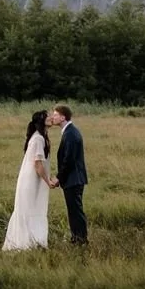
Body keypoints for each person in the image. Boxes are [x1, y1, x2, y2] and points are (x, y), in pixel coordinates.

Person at [2, 108, 59, 251]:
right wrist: (48, 182)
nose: (51, 118)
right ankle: (26, 243)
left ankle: (30, 242)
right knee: (31, 209)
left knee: (31, 209)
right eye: (47, 117)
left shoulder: (40, 137)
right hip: (31, 181)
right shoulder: (38, 139)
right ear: (41, 121)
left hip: (32, 180)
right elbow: (38, 164)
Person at [51, 103, 88, 244]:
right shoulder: (69, 132)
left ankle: (80, 240)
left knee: (75, 211)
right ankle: (77, 238)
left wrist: (58, 178)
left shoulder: (71, 134)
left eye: (55, 115)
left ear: (62, 117)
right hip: (73, 179)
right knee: (74, 210)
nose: (53, 117)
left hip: (73, 179)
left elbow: (69, 160)